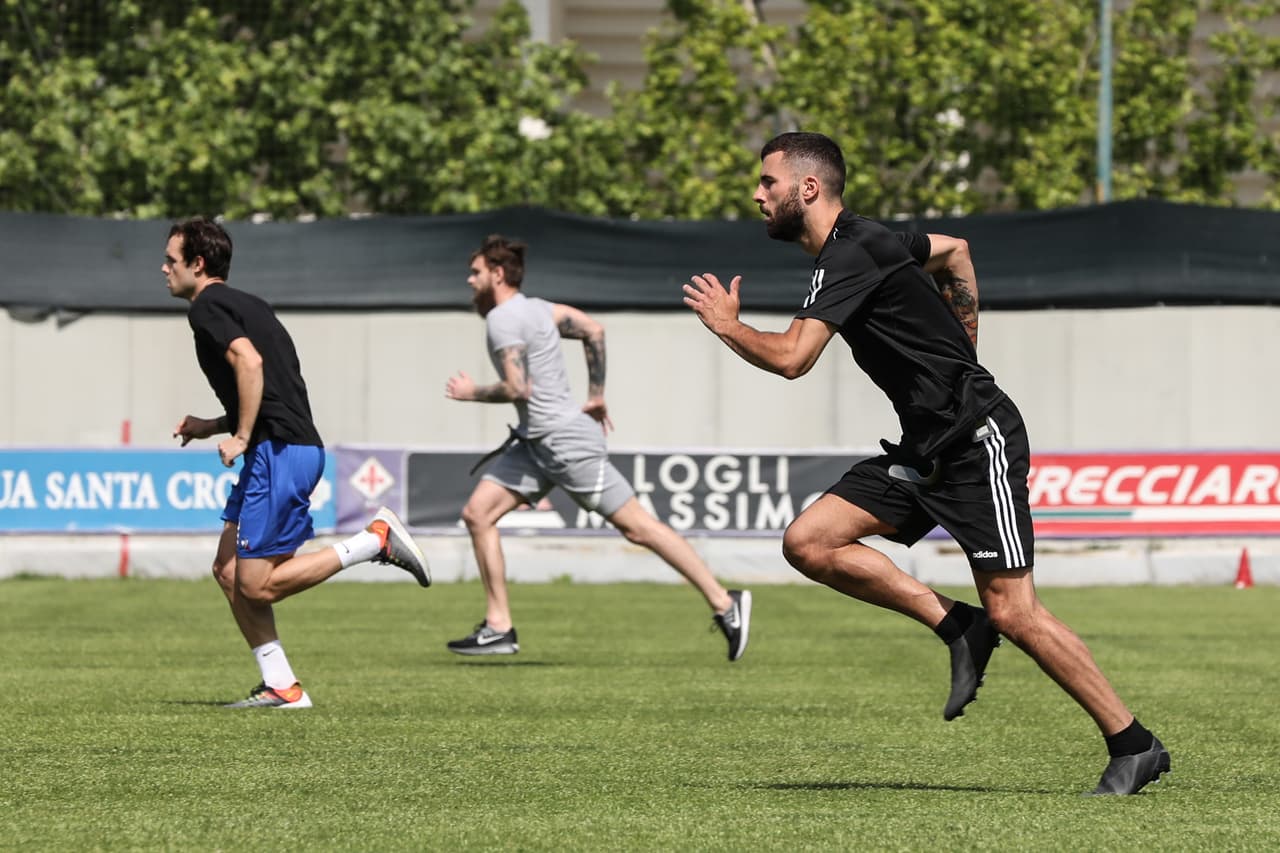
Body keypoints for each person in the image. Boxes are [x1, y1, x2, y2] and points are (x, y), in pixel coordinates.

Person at [682, 132, 1169, 795]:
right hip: (926, 447)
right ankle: (955, 623)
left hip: (976, 442)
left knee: (1017, 612)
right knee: (809, 540)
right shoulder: (870, 238)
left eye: (768, 182)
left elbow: (794, 357)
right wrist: (963, 343)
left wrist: (726, 325)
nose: (757, 194)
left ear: (808, 188)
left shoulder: (848, 253)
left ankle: (1133, 743)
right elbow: (955, 251)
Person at [443, 234, 751, 660]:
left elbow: (518, 386)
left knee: (637, 527)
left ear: (497, 274)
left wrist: (470, 392)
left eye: (475, 272)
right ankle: (499, 627)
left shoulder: (502, 318)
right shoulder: (540, 310)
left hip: (564, 444)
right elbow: (594, 330)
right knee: (478, 515)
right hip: (537, 443)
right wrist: (597, 394)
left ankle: (725, 602)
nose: (469, 280)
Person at [164, 217, 431, 709]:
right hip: (284, 446)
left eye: (170, 260)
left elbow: (251, 364)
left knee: (257, 584)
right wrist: (213, 425)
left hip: (278, 451)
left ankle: (373, 542)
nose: (164, 270)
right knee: (228, 570)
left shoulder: (206, 306)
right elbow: (273, 391)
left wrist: (242, 437)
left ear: (197, 265)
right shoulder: (248, 303)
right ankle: (282, 687)